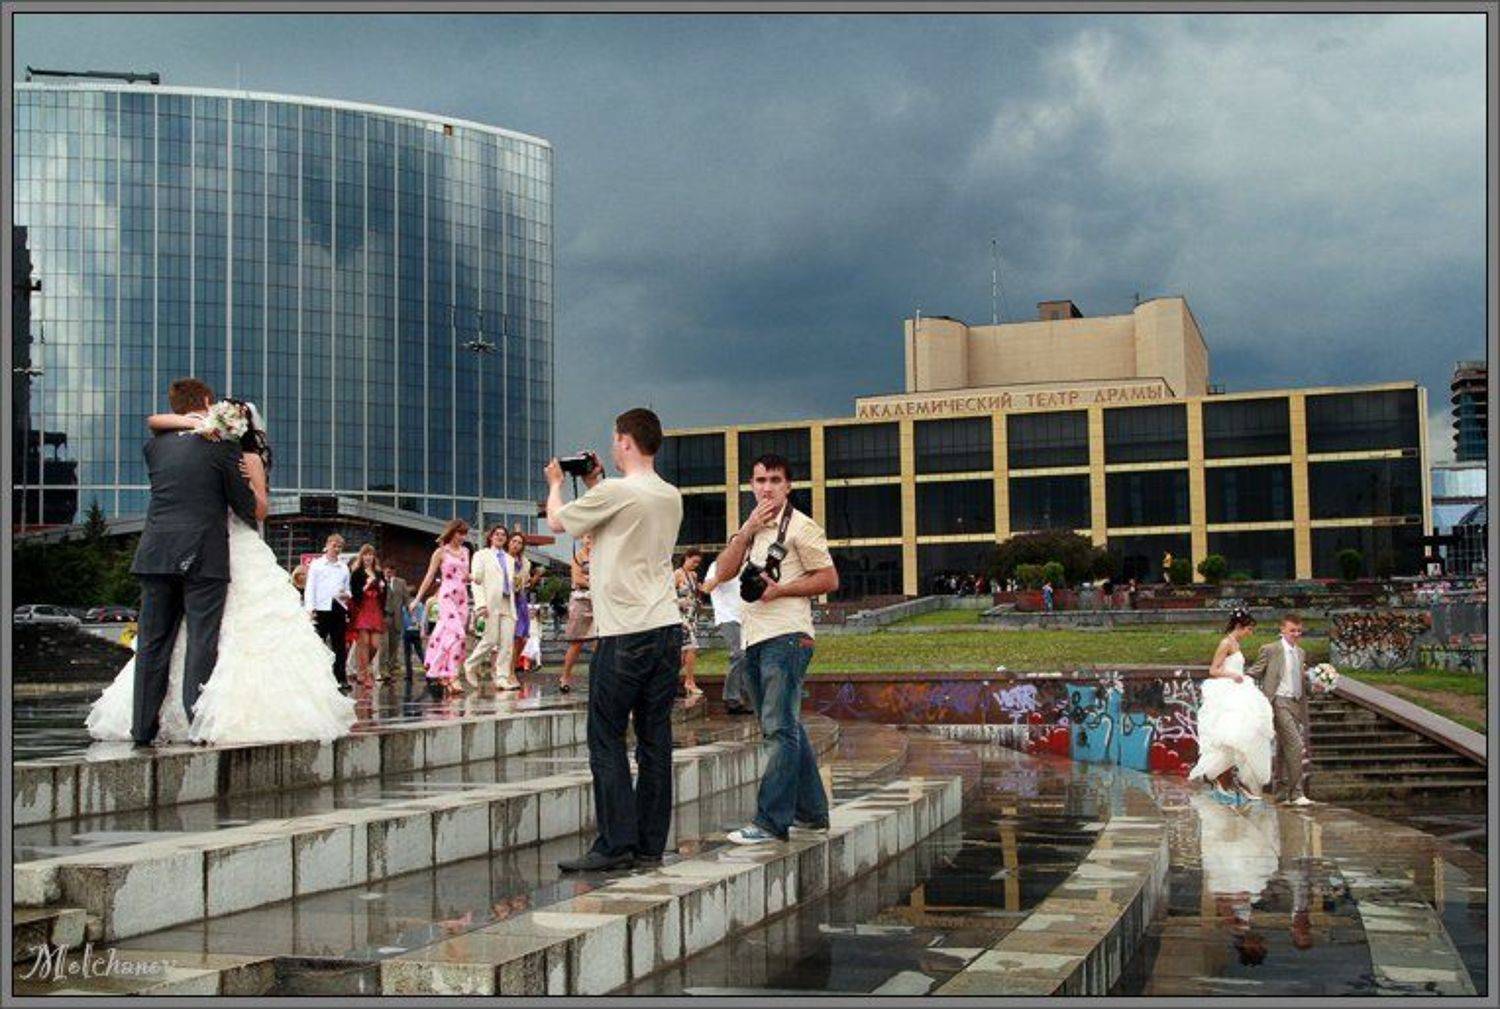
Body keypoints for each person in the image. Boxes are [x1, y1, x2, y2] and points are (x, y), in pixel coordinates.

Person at [88, 390, 356, 744]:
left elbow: (156, 425)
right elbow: (246, 506)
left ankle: (142, 728)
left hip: (163, 551)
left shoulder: (159, 448)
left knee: (154, 643)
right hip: (207, 551)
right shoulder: (221, 449)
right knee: (201, 640)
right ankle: (198, 722)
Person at [545, 407, 683, 872]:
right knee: (654, 739)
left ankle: (614, 843)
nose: (611, 445)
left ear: (625, 441)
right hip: (666, 627)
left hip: (625, 631)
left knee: (605, 737)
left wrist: (556, 484)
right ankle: (648, 844)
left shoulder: (621, 492)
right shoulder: (669, 494)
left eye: (614, 439)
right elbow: (616, 515)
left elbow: (558, 523)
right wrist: (598, 481)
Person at [711, 453, 838, 845]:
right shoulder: (751, 529)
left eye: (775, 480)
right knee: (784, 725)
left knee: (779, 729)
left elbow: (829, 578)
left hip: (787, 636)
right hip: (754, 636)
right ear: (751, 484)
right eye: (760, 480)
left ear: (788, 486)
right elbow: (722, 573)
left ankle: (770, 821)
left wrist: (781, 589)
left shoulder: (802, 527)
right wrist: (746, 530)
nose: (767, 488)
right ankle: (813, 813)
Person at [1188, 609, 1275, 804]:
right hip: (1227, 690)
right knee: (1229, 735)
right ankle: (1222, 779)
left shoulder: (1236, 644)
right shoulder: (1226, 643)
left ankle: (1238, 781)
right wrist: (1232, 675)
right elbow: (1213, 669)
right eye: (1248, 629)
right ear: (1239, 626)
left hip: (1239, 688)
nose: (1250, 633)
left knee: (1244, 733)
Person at [1245, 613, 1316, 805]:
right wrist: (1237, 680)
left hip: (1296, 703)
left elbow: (1300, 681)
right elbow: (1256, 671)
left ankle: (1281, 792)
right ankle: (1297, 793)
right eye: (1292, 630)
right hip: (1278, 702)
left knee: (1285, 749)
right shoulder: (1270, 649)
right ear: (1282, 630)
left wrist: (1315, 685)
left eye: (1299, 631)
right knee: (1295, 744)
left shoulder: (1300, 653)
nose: (1296, 634)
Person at [410, 519, 471, 698]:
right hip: (446, 596)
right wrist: (417, 599)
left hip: (462, 597)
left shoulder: (466, 551)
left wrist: (474, 578)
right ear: (451, 533)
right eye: (459, 533)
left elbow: (465, 575)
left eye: (464, 534)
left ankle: (440, 671)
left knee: (447, 635)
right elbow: (429, 577)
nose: (462, 537)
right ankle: (452, 676)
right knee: (458, 634)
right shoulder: (440, 552)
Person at [464, 524, 522, 691]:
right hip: (490, 603)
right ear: (490, 537)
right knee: (490, 639)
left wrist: (516, 586)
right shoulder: (481, 555)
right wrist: (480, 604)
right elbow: (477, 581)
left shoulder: (510, 560)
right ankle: (470, 664)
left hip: (507, 603)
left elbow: (511, 583)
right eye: (497, 534)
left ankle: (502, 677)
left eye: (503, 535)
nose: (500, 537)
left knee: (507, 644)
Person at [700, 556, 752, 715]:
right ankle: (731, 699)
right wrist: (722, 574)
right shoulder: (717, 565)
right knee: (739, 654)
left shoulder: (747, 566)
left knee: (748, 657)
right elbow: (706, 588)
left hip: (746, 618)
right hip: (728, 617)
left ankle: (745, 699)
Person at [305, 534, 353, 690]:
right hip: (321, 608)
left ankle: (340, 677)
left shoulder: (344, 567)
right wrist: (310, 608)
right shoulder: (317, 565)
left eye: (339, 546)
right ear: (327, 545)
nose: (337, 549)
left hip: (338, 607)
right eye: (334, 545)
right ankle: (316, 677)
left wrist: (347, 595)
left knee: (339, 645)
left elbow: (348, 589)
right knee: (318, 644)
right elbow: (310, 587)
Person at [559, 534, 596, 694]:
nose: (589, 540)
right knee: (577, 642)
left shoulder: (601, 556)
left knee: (599, 643)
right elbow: (577, 579)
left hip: (598, 601)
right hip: (581, 600)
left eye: (593, 537)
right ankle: (565, 676)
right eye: (587, 537)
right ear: (582, 539)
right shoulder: (578, 556)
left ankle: (598, 679)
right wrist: (595, 582)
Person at [348, 545, 387, 689]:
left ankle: (363, 668)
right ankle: (365, 674)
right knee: (363, 644)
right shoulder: (357, 573)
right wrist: (366, 585)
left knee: (375, 645)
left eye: (371, 554)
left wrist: (382, 587)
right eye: (365, 554)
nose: (368, 557)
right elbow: (355, 594)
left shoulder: (378, 572)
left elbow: (384, 595)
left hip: (375, 609)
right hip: (363, 609)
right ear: (361, 556)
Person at [674, 549, 705, 697]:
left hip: (692, 616)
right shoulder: (677, 574)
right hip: (682, 617)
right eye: (694, 561)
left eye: (698, 563)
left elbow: (694, 593)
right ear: (686, 558)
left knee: (682, 654)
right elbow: (668, 595)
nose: (696, 565)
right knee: (692, 647)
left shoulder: (693, 575)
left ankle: (669, 681)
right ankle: (690, 681)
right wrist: (679, 601)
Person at [506, 532, 534, 677]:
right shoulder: (502, 558)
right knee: (509, 638)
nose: (516, 544)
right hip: (507, 599)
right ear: (508, 542)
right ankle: (507, 670)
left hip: (521, 600)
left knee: (521, 638)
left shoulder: (525, 562)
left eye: (519, 542)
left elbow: (526, 581)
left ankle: (512, 668)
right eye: (514, 541)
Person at [382, 564, 411, 678]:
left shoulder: (401, 582)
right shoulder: (380, 581)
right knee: (384, 644)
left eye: (391, 571)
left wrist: (411, 613)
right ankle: (383, 668)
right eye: (387, 571)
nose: (389, 573)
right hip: (384, 616)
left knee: (394, 644)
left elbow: (406, 599)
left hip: (397, 617)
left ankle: (391, 666)